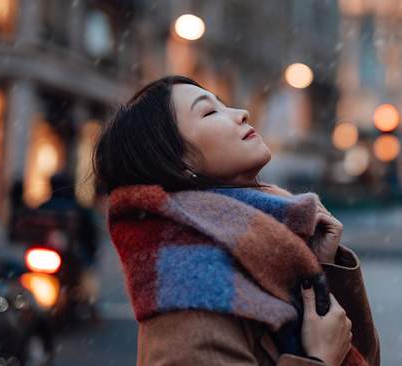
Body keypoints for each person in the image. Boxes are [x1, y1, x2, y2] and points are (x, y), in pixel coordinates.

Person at [93, 75, 380, 366]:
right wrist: (321, 359)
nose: (241, 113)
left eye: (225, 104)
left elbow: (362, 355)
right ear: (176, 162)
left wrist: (321, 265)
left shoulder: (269, 249)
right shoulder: (190, 293)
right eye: (209, 112)